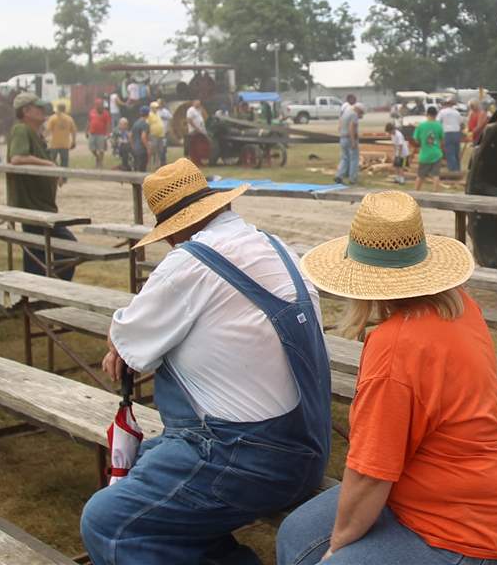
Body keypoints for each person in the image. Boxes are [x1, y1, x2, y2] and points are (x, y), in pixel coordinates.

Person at [81, 158, 332, 565]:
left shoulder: (189, 264)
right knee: (143, 464)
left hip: (245, 459)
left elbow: (126, 340)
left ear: (176, 227)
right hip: (309, 446)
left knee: (109, 522)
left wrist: (120, 347)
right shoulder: (276, 245)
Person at [277, 191, 497, 565]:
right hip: (440, 494)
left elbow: (370, 474)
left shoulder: (395, 349)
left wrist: (339, 545)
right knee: (294, 535)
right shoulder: (458, 305)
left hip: (460, 529)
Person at [5, 91, 78, 281]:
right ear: (26, 111)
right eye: (38, 107)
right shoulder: (22, 129)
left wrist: (53, 175)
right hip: (33, 208)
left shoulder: (36, 133)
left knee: (38, 256)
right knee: (67, 248)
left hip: (41, 207)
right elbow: (17, 158)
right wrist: (51, 165)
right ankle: (53, 294)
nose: (43, 110)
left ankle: (43, 295)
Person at [413, 106, 443, 193]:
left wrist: (422, 143)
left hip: (425, 154)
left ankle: (416, 193)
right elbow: (441, 139)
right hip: (436, 153)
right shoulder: (439, 125)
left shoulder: (421, 126)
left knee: (420, 175)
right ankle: (435, 192)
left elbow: (416, 139)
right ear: (436, 115)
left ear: (427, 114)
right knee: (436, 175)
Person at [335, 102, 363, 186]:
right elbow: (351, 128)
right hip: (349, 139)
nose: (360, 115)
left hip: (342, 138)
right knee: (354, 159)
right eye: (361, 112)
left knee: (344, 158)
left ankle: (339, 176)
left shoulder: (345, 113)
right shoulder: (354, 115)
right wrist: (353, 141)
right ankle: (352, 179)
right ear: (358, 109)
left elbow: (339, 126)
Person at [436, 98, 463, 173]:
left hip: (447, 133)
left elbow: (438, 122)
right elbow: (461, 122)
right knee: (456, 151)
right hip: (456, 133)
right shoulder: (457, 112)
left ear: (445, 104)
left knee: (449, 152)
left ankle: (453, 170)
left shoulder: (442, 112)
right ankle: (458, 168)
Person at [86, 98, 112, 169]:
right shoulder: (92, 112)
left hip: (101, 134)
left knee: (101, 149)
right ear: (95, 105)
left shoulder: (106, 113)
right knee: (92, 148)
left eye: (100, 105)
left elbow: (108, 124)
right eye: (97, 105)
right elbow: (89, 121)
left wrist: (108, 133)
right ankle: (98, 158)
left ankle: (100, 163)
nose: (99, 106)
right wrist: (86, 131)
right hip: (92, 133)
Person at [131, 106, 151, 172]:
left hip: (135, 149)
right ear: (148, 113)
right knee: (142, 169)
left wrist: (133, 146)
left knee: (136, 168)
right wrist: (148, 148)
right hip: (142, 150)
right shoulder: (145, 124)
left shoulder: (135, 123)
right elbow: (143, 137)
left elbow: (130, 136)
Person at [147, 102, 166, 169]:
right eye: (156, 107)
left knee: (160, 150)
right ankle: (149, 163)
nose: (157, 109)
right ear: (152, 108)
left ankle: (157, 164)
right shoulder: (149, 115)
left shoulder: (158, 114)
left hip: (160, 135)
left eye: (157, 107)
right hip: (153, 134)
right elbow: (147, 124)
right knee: (153, 149)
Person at [156, 99, 172, 166]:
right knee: (157, 148)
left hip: (164, 133)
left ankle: (163, 162)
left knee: (163, 148)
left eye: (159, 103)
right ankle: (157, 162)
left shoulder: (166, 111)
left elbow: (171, 118)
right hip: (157, 134)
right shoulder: (155, 111)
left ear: (162, 104)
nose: (158, 104)